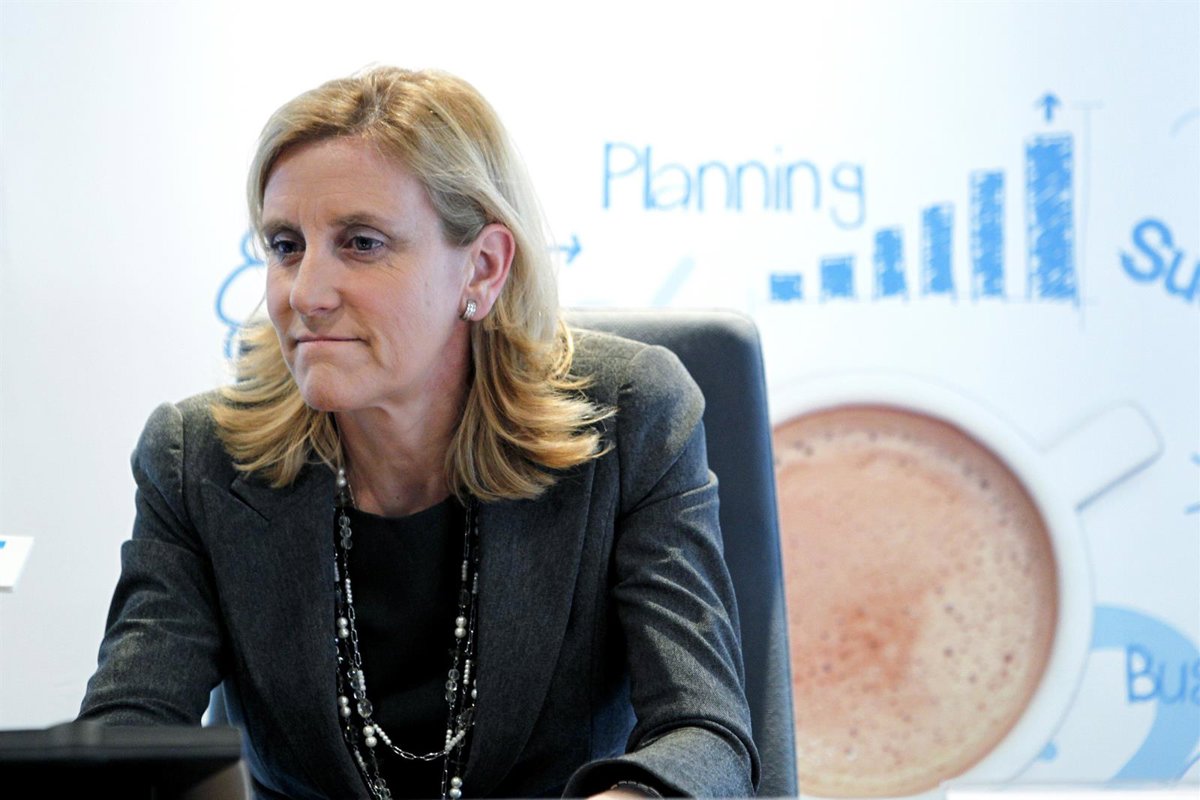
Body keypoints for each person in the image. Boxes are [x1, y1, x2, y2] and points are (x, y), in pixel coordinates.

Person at [79, 66, 758, 800]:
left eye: (362, 243)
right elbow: (128, 734)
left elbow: (705, 734)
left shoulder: (629, 418)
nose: (306, 293)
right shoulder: (198, 459)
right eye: (285, 245)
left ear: (483, 268)